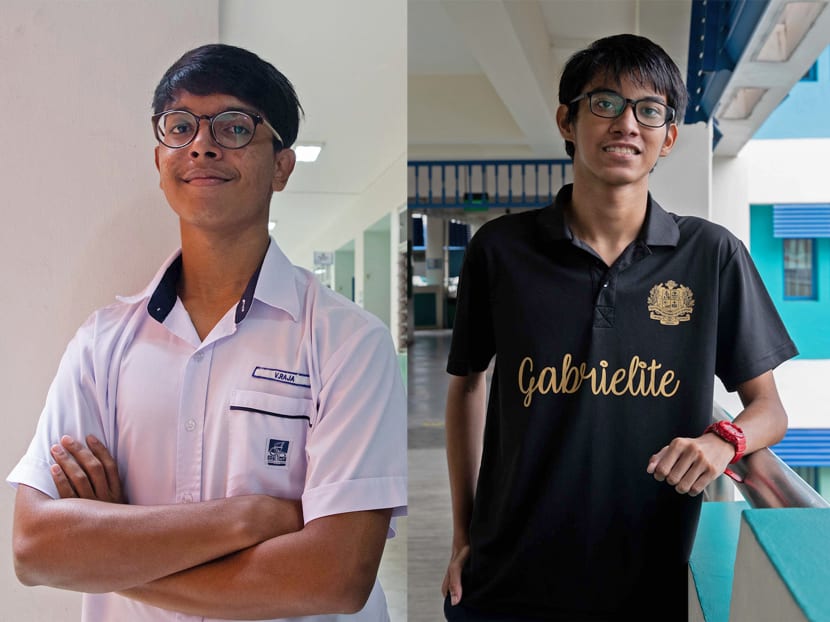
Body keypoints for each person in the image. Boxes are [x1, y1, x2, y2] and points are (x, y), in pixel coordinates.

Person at [8, 43, 406, 622]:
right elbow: (34, 548)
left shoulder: (349, 344)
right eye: (180, 125)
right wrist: (251, 518)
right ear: (159, 157)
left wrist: (110, 552)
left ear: (282, 166)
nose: (202, 143)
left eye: (235, 127)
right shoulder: (101, 346)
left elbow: (335, 577)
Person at [441, 34, 794, 621]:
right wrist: (463, 533)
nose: (627, 123)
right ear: (567, 120)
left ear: (668, 137)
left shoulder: (710, 255)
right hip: (507, 576)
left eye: (649, 110)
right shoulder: (501, 250)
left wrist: (722, 440)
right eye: (604, 103)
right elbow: (467, 385)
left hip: (646, 581)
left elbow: (769, 411)